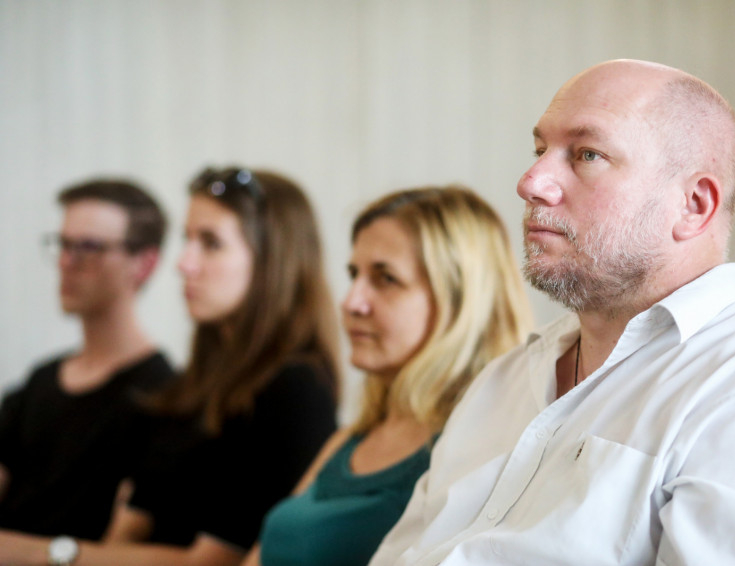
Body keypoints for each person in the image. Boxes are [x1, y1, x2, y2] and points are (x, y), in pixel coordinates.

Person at [369, 60, 735, 566]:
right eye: (539, 151)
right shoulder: (502, 381)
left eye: (587, 155)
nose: (531, 182)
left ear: (693, 205)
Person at [0, 167, 339, 566]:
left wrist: (38, 552)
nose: (184, 263)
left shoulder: (295, 390)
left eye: (211, 244)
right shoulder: (193, 388)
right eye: (187, 240)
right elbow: (123, 536)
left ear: (272, 259)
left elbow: (212, 563)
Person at [240, 186, 534, 566]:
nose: (351, 302)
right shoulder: (355, 437)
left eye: (386, 279)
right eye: (354, 274)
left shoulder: (481, 447)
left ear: (459, 300)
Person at [0, 179, 173, 541]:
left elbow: (123, 547)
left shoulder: (164, 397)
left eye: (89, 247)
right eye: (63, 244)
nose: (66, 262)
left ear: (144, 264)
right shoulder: (39, 382)